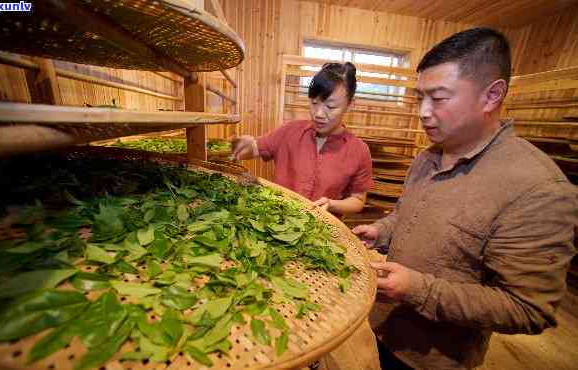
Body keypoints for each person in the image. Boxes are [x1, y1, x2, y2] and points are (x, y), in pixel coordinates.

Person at [353, 27, 578, 369]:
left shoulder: (538, 189)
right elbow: (406, 216)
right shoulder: (427, 158)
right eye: (419, 98)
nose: (423, 112)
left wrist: (418, 289)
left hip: (434, 359)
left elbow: (528, 308)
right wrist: (382, 231)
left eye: (438, 98)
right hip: (384, 326)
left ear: (492, 96)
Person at [231, 62, 373, 215]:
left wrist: (331, 204)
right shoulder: (290, 131)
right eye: (314, 102)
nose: (318, 113)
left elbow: (358, 200)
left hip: (322, 230)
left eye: (330, 107)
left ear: (350, 105)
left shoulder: (359, 151)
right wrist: (244, 145)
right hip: (276, 222)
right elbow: (254, 148)